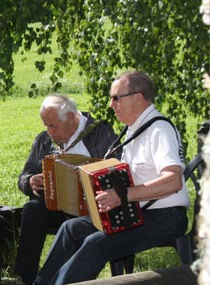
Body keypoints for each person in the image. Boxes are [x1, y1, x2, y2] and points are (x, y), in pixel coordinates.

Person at [34, 70, 189, 284]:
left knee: (96, 244)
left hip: (166, 216)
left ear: (138, 97)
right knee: (70, 229)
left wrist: (121, 195)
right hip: (135, 211)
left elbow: (173, 180)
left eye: (116, 97)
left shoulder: (159, 130)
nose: (111, 104)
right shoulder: (133, 130)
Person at [13, 94, 117, 284]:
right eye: (46, 125)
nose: (49, 131)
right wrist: (30, 182)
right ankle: (26, 277)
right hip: (57, 206)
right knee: (33, 210)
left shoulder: (100, 133)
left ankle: (66, 277)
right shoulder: (44, 140)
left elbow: (116, 171)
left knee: (75, 224)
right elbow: (24, 175)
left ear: (71, 117)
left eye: (52, 125)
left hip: (91, 210)